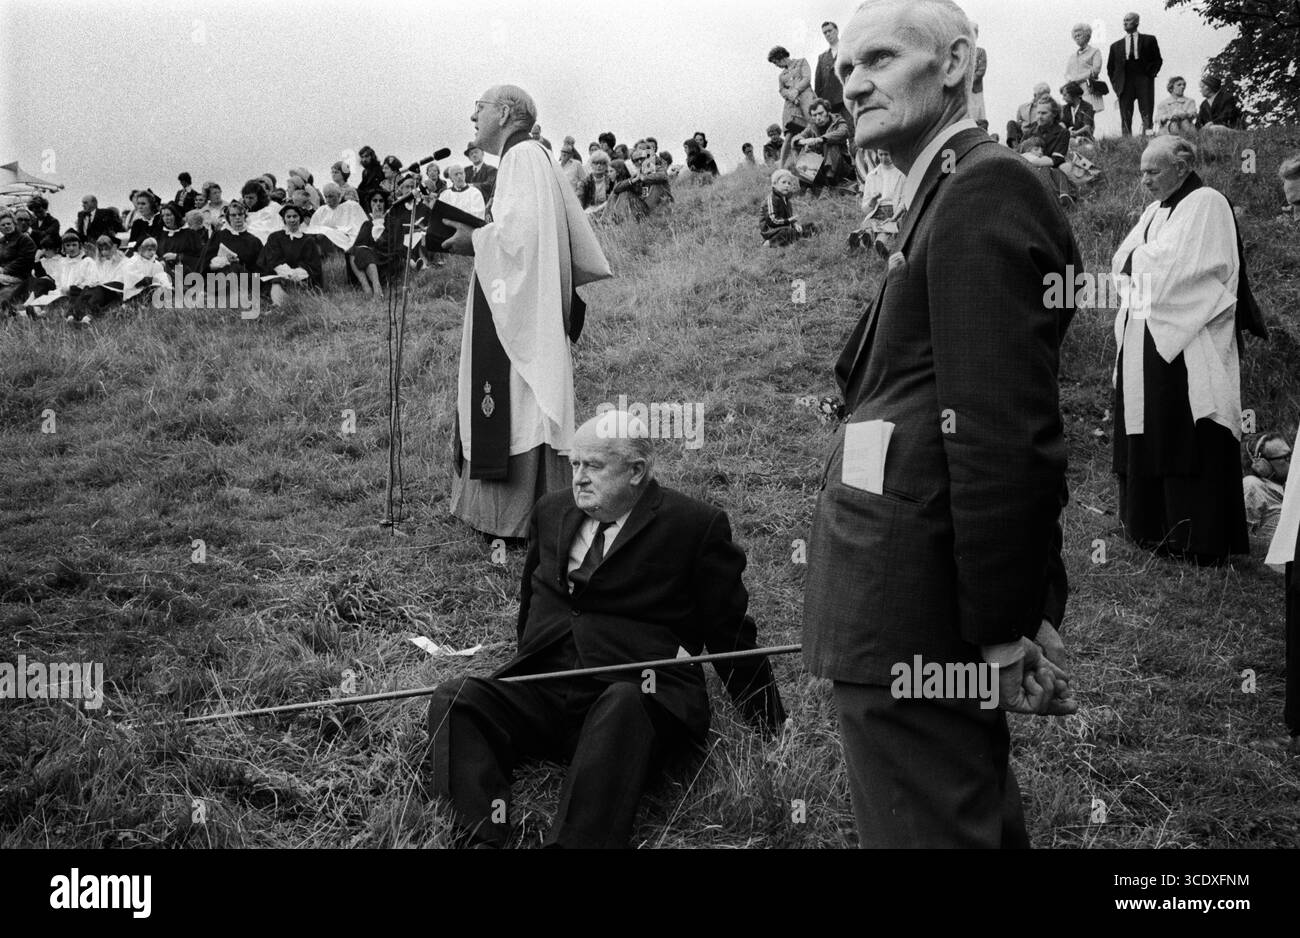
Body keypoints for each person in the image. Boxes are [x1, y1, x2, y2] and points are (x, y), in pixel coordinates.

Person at [804, 0, 1080, 849]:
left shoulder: (983, 187)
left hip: (915, 609)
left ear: (956, 63)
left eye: (880, 58)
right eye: (847, 67)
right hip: (907, 599)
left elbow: (1002, 436)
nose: (853, 83)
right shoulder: (940, 190)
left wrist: (1002, 628)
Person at [424, 410, 786, 848]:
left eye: (593, 466)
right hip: (551, 683)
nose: (578, 478)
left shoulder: (693, 526)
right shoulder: (552, 510)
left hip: (638, 695)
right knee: (457, 697)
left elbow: (729, 631)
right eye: (575, 464)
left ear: (636, 471)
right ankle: (478, 838)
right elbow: (531, 601)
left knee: (623, 704)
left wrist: (771, 725)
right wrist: (525, 669)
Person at [438, 84, 611, 540]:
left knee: (519, 399)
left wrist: (470, 240)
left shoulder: (522, 157)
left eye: (479, 108)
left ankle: (519, 515)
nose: (472, 117)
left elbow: (520, 239)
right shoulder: (526, 157)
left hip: (519, 305)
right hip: (515, 296)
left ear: (507, 113)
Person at [1111, 135, 1265, 563]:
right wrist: (1142, 265)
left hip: (1187, 336)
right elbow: (1121, 262)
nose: (1144, 181)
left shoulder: (1207, 202)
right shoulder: (1151, 212)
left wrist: (1141, 265)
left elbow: (1181, 268)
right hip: (1147, 332)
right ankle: (1150, 527)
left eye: (1152, 171)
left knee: (1183, 428)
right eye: (1141, 171)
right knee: (1151, 427)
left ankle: (1195, 538)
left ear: (1181, 166)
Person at [1107, 11, 1163, 136]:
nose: (1125, 23)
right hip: (1125, 81)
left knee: (1147, 110)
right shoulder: (1115, 46)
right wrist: (1116, 84)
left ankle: (1148, 136)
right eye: (1124, 20)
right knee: (1125, 113)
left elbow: (1158, 60)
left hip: (1143, 78)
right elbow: (1110, 68)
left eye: (1128, 20)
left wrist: (1151, 74)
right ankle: (1126, 140)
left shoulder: (1149, 40)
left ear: (1136, 22)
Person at [258, 202, 323, 305]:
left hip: (300, 277)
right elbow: (272, 259)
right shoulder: (275, 237)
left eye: (295, 216)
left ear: (300, 218)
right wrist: (289, 273)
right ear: (284, 219)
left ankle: (289, 303)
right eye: (288, 217)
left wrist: (297, 274)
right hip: (279, 274)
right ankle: (280, 305)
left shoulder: (308, 240)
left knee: (301, 288)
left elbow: (313, 264)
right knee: (276, 283)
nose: (292, 220)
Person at [23, 230, 97, 319]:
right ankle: (37, 312)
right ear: (64, 248)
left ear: (79, 246)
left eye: (74, 245)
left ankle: (43, 312)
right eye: (68, 245)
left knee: (67, 301)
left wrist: (72, 288)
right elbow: (56, 279)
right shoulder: (62, 262)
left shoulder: (87, 261)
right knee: (50, 295)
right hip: (61, 292)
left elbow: (92, 281)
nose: (71, 248)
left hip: (77, 292)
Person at [848, 149, 906, 255]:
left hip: (894, 210)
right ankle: (865, 236)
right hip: (877, 210)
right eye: (881, 155)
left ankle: (879, 241)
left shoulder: (902, 174)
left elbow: (904, 199)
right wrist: (873, 200)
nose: (883, 158)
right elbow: (865, 209)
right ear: (877, 154)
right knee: (869, 223)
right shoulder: (871, 175)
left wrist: (895, 216)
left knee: (887, 227)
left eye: (887, 154)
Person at [790, 98, 854, 189]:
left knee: (830, 143)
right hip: (821, 166)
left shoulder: (838, 121)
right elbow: (796, 138)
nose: (818, 118)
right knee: (808, 148)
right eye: (814, 115)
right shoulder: (812, 126)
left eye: (820, 113)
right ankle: (806, 185)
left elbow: (844, 132)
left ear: (828, 112)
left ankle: (831, 184)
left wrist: (820, 139)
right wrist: (803, 141)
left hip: (841, 167)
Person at [769, 45, 815, 164]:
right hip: (792, 107)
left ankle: (819, 166)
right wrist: (791, 96)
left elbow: (807, 78)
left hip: (807, 100)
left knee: (813, 129)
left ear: (781, 57)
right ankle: (784, 168)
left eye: (776, 62)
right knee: (791, 135)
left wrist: (796, 90)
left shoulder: (801, 62)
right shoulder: (781, 76)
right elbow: (781, 90)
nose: (776, 66)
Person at [1244, 433, 1291, 544]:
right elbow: (1244, 538)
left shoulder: (1287, 486)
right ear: (1263, 464)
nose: (1293, 460)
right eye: (1286, 457)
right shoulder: (1252, 486)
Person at [199, 200, 263, 276]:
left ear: (244, 216)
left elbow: (261, 267)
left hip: (245, 280)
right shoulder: (218, 236)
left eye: (240, 214)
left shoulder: (254, 241)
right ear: (228, 218)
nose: (237, 217)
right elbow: (206, 264)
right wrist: (225, 260)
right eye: (233, 215)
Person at [347, 191, 391, 295]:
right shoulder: (367, 223)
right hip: (369, 256)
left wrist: (378, 222)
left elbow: (385, 242)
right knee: (353, 250)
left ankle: (377, 288)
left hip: (385, 255)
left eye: (381, 201)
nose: (378, 204)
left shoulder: (390, 220)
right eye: (374, 201)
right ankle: (366, 286)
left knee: (366, 252)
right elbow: (360, 243)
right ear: (370, 203)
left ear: (385, 204)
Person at [760, 169, 816, 246]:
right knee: (786, 232)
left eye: (789, 183)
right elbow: (772, 220)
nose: (787, 185)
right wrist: (788, 221)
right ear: (774, 184)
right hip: (771, 230)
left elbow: (789, 217)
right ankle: (769, 242)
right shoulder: (771, 199)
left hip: (783, 227)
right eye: (783, 182)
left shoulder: (786, 200)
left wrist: (795, 224)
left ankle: (801, 235)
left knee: (810, 225)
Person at [305, 182, 368, 252]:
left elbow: (361, 226)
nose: (328, 200)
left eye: (331, 196)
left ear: (339, 195)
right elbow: (312, 228)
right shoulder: (321, 210)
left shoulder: (350, 206)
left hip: (347, 240)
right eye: (326, 196)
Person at [0, 208, 38, 313]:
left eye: (8, 223)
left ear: (14, 223)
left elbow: (25, 260)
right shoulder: (1, 242)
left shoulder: (24, 239)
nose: (6, 226)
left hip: (20, 277)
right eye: (3, 225)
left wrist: (5, 270)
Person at [1065, 22, 1105, 115]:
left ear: (1087, 36)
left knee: (1088, 117)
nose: (1077, 38)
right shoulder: (1072, 56)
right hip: (1075, 91)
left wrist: (1077, 78)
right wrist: (1069, 81)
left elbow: (1095, 70)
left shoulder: (1095, 52)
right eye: (1075, 36)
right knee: (1077, 117)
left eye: (1079, 35)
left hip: (1088, 89)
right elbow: (1067, 73)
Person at [815, 21, 850, 125]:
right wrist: (820, 103)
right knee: (835, 133)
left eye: (830, 31)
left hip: (846, 98)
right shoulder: (822, 57)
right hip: (829, 103)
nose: (828, 34)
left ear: (837, 30)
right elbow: (818, 82)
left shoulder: (847, 49)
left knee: (851, 129)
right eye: (825, 33)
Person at [1006, 82, 1052, 149]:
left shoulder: (1049, 107)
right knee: (1011, 123)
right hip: (1023, 133)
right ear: (1035, 95)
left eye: (1046, 95)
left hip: (1038, 133)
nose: (1044, 98)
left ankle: (1022, 146)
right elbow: (1018, 121)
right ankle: (1015, 147)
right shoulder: (1023, 107)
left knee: (1037, 123)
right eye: (1041, 95)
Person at [969, 22, 987, 127]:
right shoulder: (962, 53)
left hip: (976, 88)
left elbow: (981, 70)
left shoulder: (980, 52)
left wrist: (969, 81)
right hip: (963, 90)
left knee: (978, 113)